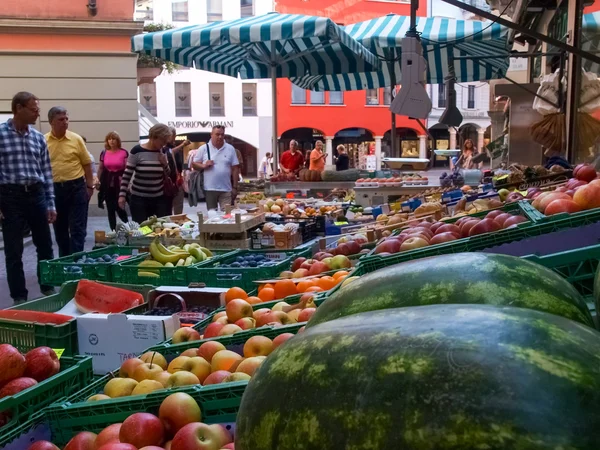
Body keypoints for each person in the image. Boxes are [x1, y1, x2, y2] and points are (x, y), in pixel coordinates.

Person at [0, 91, 56, 302]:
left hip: (36, 194)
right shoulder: (1, 134)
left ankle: (48, 287)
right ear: (18, 108)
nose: (37, 114)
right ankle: (19, 296)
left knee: (45, 245)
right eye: (33, 110)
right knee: (13, 250)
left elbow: (46, 172)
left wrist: (51, 202)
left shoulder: (38, 138)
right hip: (10, 196)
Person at [46, 106, 94, 257]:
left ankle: (77, 262)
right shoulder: (43, 140)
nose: (65, 122)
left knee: (78, 229)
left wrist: (89, 185)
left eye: (66, 119)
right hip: (54, 190)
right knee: (60, 230)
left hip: (76, 187)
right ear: (51, 121)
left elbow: (87, 163)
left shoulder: (76, 139)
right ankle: (64, 261)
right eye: (61, 119)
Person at [119, 124, 172, 223]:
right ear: (154, 137)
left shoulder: (162, 151)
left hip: (158, 199)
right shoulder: (137, 151)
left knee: (157, 229)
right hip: (139, 199)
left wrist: (165, 164)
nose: (164, 144)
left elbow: (168, 174)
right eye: (163, 140)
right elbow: (127, 175)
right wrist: (122, 196)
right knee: (142, 230)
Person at [192, 125, 239, 210]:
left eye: (222, 134)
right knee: (212, 215)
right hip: (210, 188)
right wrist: (204, 165)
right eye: (217, 134)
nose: (220, 137)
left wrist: (235, 187)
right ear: (211, 134)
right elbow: (194, 164)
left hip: (226, 188)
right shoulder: (204, 148)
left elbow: (235, 168)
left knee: (227, 215)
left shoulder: (230, 148)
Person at [97, 131, 129, 230]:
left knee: (119, 208)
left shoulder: (124, 152)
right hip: (107, 183)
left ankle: (128, 227)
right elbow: (101, 168)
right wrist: (97, 181)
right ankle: (113, 231)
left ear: (117, 140)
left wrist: (127, 182)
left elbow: (128, 169)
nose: (111, 141)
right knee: (110, 209)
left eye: (113, 139)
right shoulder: (104, 153)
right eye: (109, 139)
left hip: (120, 184)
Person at [167, 127, 189, 215]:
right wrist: (183, 145)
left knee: (179, 205)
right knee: (169, 206)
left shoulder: (173, 146)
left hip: (178, 180)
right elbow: (169, 152)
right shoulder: (164, 147)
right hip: (169, 182)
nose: (174, 137)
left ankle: (178, 221)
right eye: (173, 135)